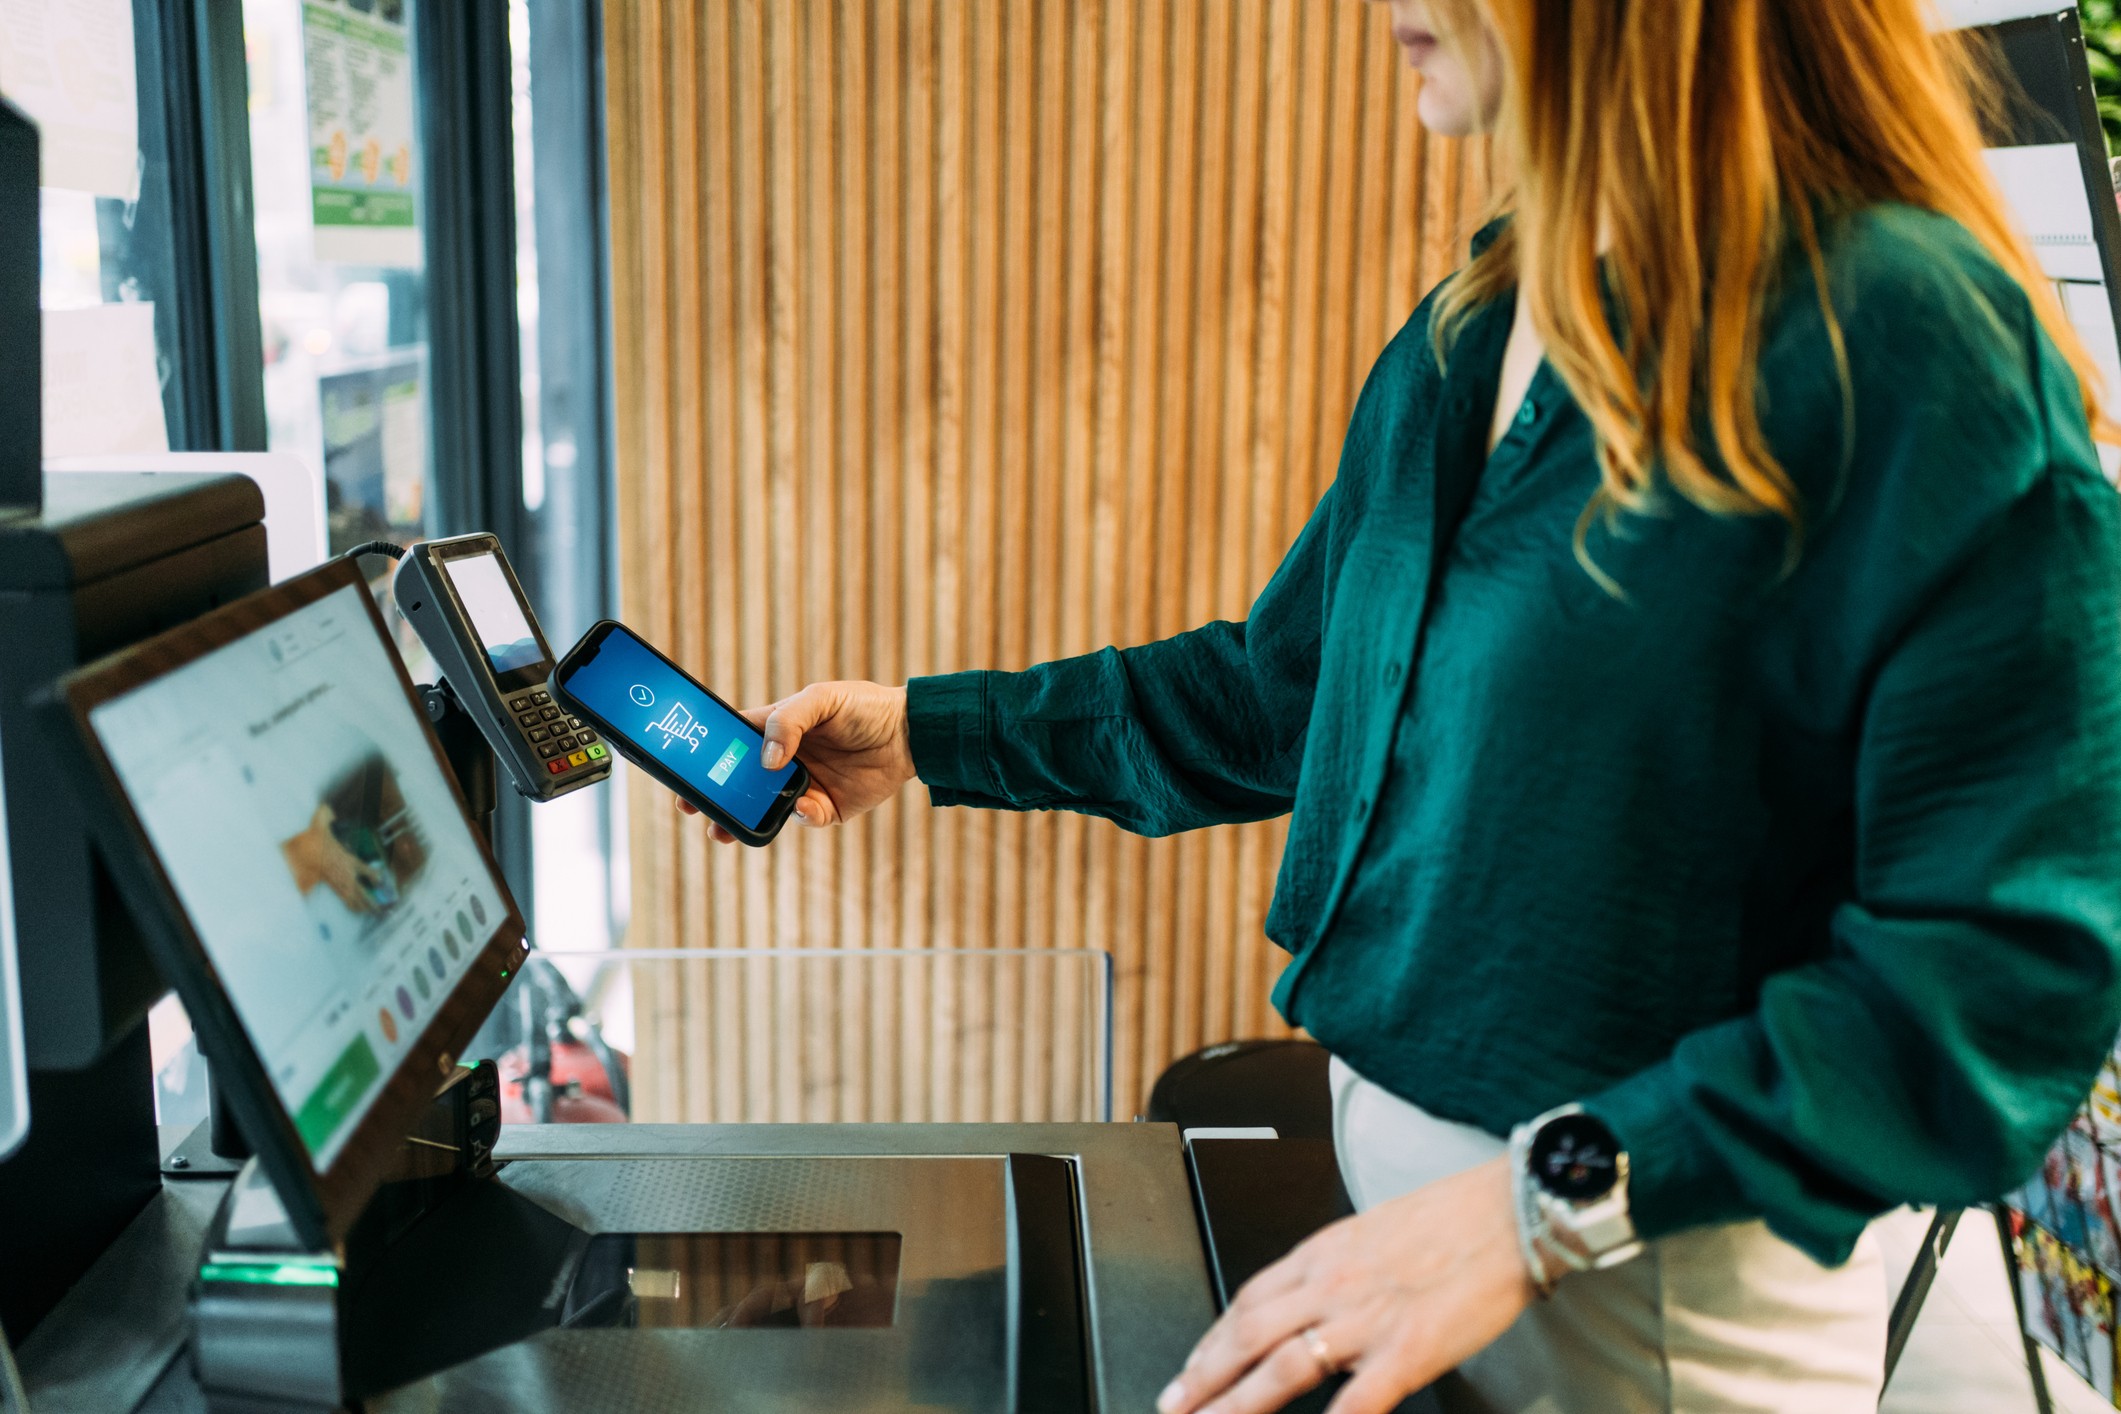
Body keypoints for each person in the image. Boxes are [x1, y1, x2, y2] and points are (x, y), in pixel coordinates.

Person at [689, 0, 2121, 1408]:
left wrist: (1531, 1206)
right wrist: (928, 731)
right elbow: (1280, 695)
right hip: (1424, 1260)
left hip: (1651, 1320)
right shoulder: (1491, 306)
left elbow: (2001, 977)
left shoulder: (1907, 331)